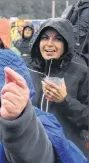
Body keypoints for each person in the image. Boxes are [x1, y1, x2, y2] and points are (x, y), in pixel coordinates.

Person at [28, 18, 89, 155]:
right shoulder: (29, 71)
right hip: (34, 156)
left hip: (70, 155)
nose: (49, 44)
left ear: (67, 43)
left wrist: (65, 100)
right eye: (45, 38)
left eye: (57, 39)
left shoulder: (81, 72)